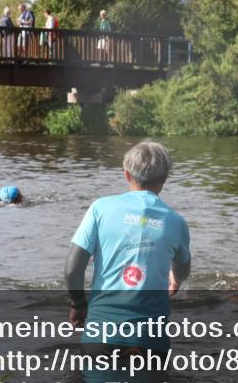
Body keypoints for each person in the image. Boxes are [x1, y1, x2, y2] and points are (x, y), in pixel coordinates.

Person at [65, 141, 191, 351]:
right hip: (150, 339)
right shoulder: (176, 222)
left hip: (102, 333)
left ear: (126, 174)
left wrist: (78, 305)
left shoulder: (100, 209)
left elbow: (72, 269)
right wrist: (176, 279)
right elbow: (183, 266)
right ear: (165, 178)